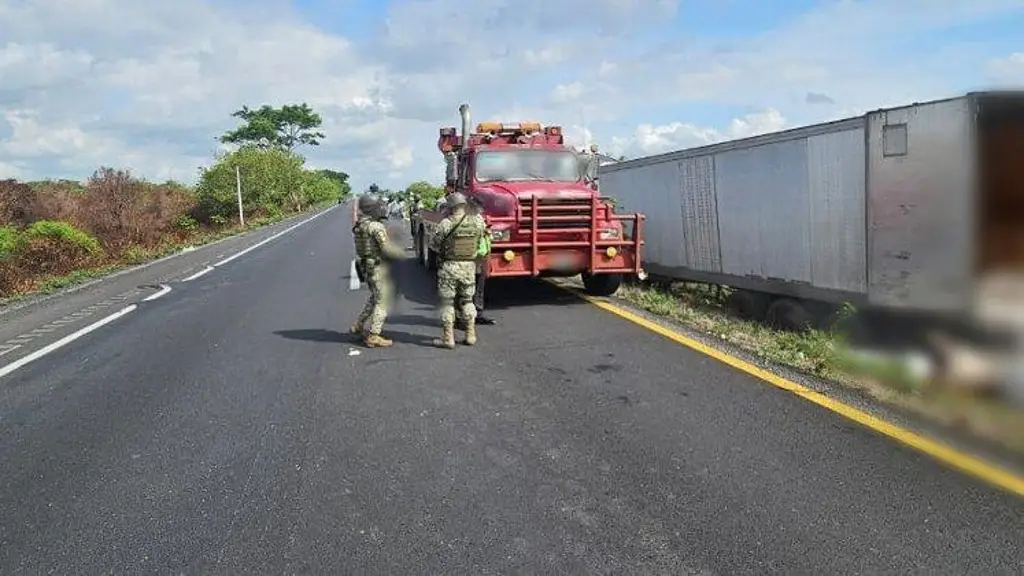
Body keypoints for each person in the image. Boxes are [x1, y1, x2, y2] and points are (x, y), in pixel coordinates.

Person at [429, 192, 486, 349]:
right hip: (469, 267)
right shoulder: (478, 221)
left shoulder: (446, 223)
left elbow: (433, 245)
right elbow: (481, 240)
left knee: (447, 303)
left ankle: (448, 339)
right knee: (468, 301)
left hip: (449, 268)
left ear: (450, 207)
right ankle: (470, 335)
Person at [350, 194, 406, 348]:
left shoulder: (359, 225)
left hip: (366, 268)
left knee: (375, 297)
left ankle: (359, 324)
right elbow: (386, 248)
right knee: (383, 301)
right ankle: (374, 335)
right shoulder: (375, 227)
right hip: (377, 268)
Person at [468, 195, 496, 325]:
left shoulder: (479, 218)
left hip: (481, 256)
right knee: (468, 288)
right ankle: (466, 317)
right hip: (471, 258)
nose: (481, 210)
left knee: (479, 287)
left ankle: (477, 313)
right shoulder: (467, 220)